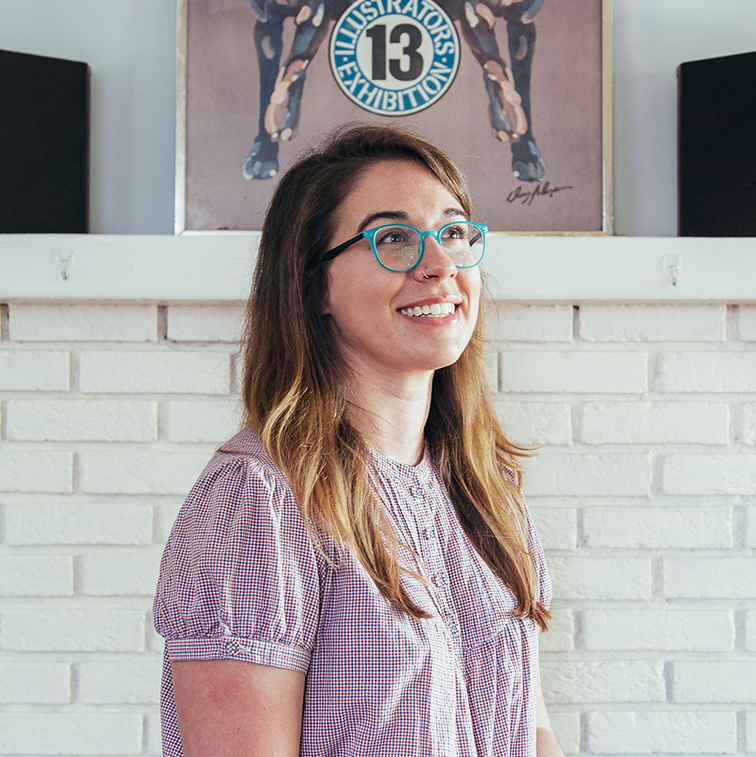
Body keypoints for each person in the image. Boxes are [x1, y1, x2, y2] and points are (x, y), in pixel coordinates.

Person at [154, 124, 563, 757]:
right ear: (316, 286)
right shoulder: (259, 500)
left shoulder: (488, 490)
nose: (440, 266)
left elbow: (531, 732)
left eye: (453, 233)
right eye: (393, 238)